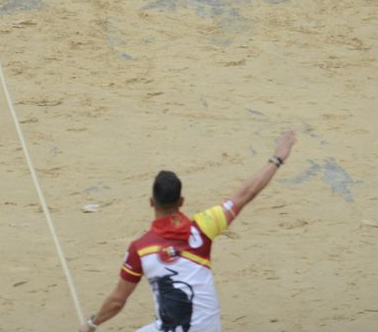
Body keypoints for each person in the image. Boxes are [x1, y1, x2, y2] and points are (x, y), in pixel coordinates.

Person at [77, 130, 297, 332]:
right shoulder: (204, 227)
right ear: (181, 201)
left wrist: (91, 324)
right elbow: (246, 193)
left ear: (151, 202)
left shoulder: (141, 249)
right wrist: (276, 158)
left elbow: (117, 301)